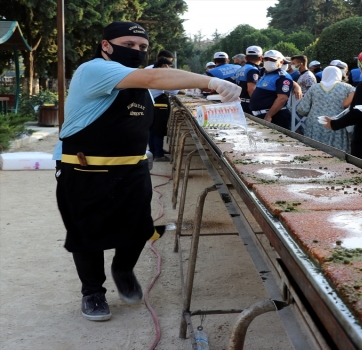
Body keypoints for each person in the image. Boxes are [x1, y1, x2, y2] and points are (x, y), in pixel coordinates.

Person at [53, 22, 240, 322]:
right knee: (87, 234)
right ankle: (93, 293)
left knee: (140, 228)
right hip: (85, 169)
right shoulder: (95, 70)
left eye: (142, 47)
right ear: (106, 45)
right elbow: (155, 75)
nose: (137, 51)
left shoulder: (139, 82)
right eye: (129, 44)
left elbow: (164, 82)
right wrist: (213, 82)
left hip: (134, 168)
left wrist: (208, 96)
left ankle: (123, 270)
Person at [296, 66, 354, 151]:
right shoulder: (347, 88)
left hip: (315, 124)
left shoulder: (314, 88)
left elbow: (302, 109)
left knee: (313, 151)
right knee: (336, 154)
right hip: (336, 123)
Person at [249, 50, 295, 130]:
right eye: (266, 59)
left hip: (274, 117)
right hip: (261, 115)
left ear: (281, 62)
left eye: (272, 60)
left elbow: (282, 98)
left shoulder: (282, 77)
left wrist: (269, 115)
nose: (268, 61)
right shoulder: (265, 74)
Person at [148, 57, 180, 161]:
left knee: (152, 130)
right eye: (168, 67)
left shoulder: (149, 69)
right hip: (159, 105)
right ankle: (159, 154)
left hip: (149, 103)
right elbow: (172, 89)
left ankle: (153, 151)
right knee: (159, 130)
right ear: (164, 65)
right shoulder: (160, 74)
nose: (168, 69)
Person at [235, 46, 263, 113]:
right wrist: (257, 105)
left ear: (246, 58)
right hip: (250, 104)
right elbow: (251, 89)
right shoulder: (253, 70)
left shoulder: (240, 69)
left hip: (240, 102)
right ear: (261, 58)